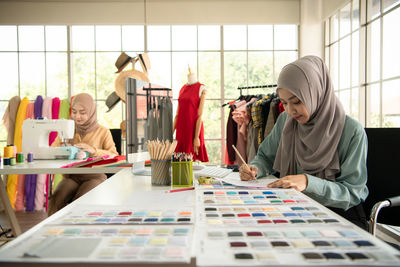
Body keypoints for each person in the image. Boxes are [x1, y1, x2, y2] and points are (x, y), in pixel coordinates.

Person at [239, 56, 369, 230]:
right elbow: (265, 157)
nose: (290, 111)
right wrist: (255, 168)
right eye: (284, 103)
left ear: (316, 93)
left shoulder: (352, 131)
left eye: (297, 102)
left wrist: (308, 182)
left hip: (338, 218)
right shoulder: (286, 120)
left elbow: (353, 193)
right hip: (293, 209)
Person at [48, 93, 118, 215]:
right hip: (72, 177)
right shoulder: (68, 130)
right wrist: (62, 150)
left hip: (94, 177)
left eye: (82, 112)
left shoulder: (103, 132)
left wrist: (94, 150)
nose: (77, 116)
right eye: (74, 112)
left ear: (91, 112)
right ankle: (53, 230)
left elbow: (114, 155)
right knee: (55, 200)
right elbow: (52, 149)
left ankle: (74, 230)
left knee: (79, 203)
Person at [173, 67, 209, 162]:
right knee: (180, 161)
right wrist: (171, 133)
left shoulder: (201, 88)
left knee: (191, 159)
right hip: (181, 130)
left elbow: (200, 115)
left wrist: (196, 137)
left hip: (193, 128)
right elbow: (177, 114)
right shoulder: (182, 88)